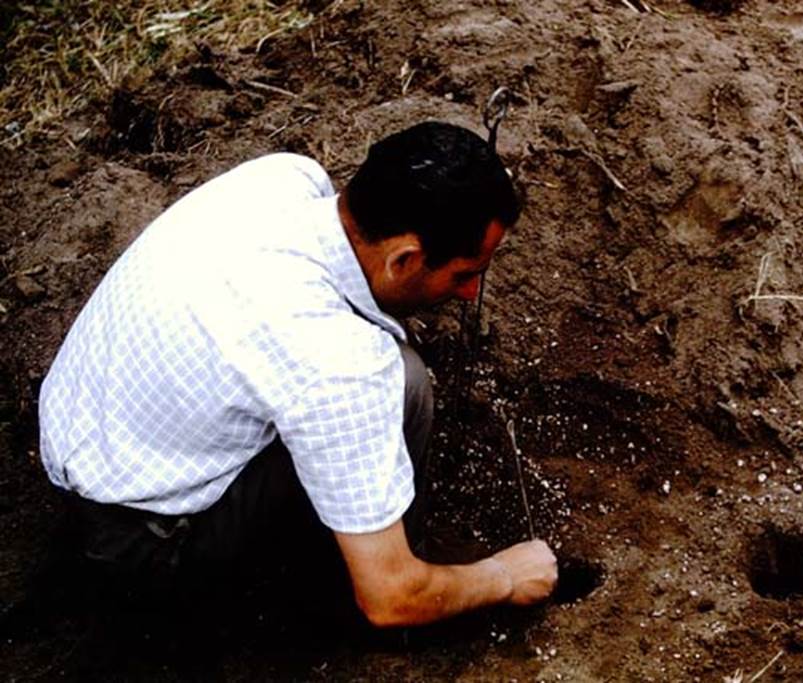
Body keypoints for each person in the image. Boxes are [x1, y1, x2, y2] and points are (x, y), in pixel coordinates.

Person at [36, 121, 558, 629]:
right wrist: (504, 576)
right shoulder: (341, 363)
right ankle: (357, 583)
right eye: (464, 274)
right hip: (145, 549)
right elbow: (390, 600)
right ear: (403, 259)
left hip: (91, 450)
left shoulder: (283, 180)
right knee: (404, 383)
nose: (470, 293)